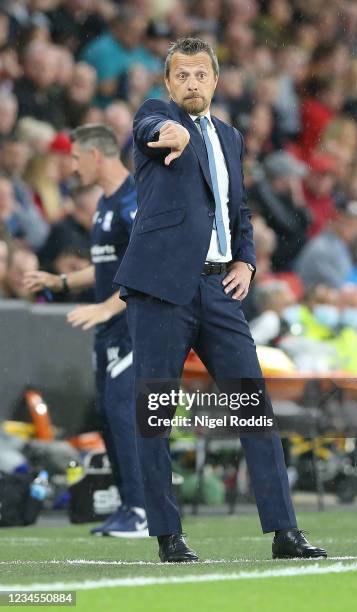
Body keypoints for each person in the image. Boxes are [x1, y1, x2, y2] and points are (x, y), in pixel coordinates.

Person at [115, 37, 326, 562]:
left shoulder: (230, 137)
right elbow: (149, 131)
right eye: (181, 76)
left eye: (200, 75)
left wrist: (246, 260)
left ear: (214, 80)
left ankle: (285, 533)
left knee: (254, 407)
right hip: (162, 289)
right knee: (157, 413)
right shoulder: (155, 114)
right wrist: (168, 133)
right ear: (168, 84)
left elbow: (240, 210)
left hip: (218, 290)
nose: (191, 83)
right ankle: (168, 535)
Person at [24, 124, 147, 538]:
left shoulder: (134, 203)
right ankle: (130, 505)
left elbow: (146, 272)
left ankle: (143, 508)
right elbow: (108, 267)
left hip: (131, 325)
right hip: (108, 325)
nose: (72, 166)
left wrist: (106, 306)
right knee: (110, 418)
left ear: (97, 156)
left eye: (77, 158)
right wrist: (59, 283)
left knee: (121, 412)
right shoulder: (105, 204)